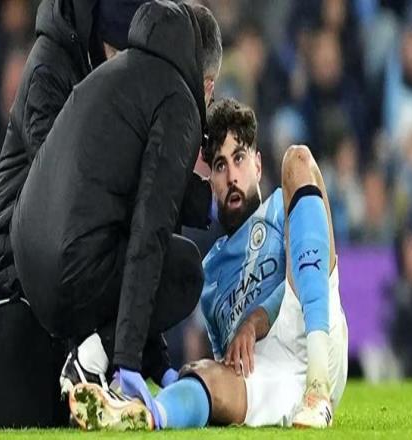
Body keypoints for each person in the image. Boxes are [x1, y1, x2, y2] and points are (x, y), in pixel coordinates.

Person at [71, 98, 348, 430]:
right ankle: (143, 415)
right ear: (211, 182)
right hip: (267, 378)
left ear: (258, 165)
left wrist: (255, 320)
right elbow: (226, 365)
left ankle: (318, 391)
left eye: (239, 158)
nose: (231, 176)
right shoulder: (209, 274)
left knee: (298, 160)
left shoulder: (283, 207)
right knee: (202, 372)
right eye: (219, 165)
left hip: (312, 331)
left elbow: (305, 270)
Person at [10, 0, 222, 426]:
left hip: (29, 260)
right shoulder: (177, 101)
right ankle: (90, 361)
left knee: (135, 251)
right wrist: (126, 360)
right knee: (183, 267)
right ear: (209, 84)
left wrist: (159, 365)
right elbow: (149, 233)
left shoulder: (121, 73)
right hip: (69, 269)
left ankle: (99, 356)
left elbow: (127, 228)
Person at [0, 0, 150, 293]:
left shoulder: (101, 72)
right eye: (118, 53)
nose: (124, 66)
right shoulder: (48, 70)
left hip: (70, 246)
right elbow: (57, 182)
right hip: (20, 259)